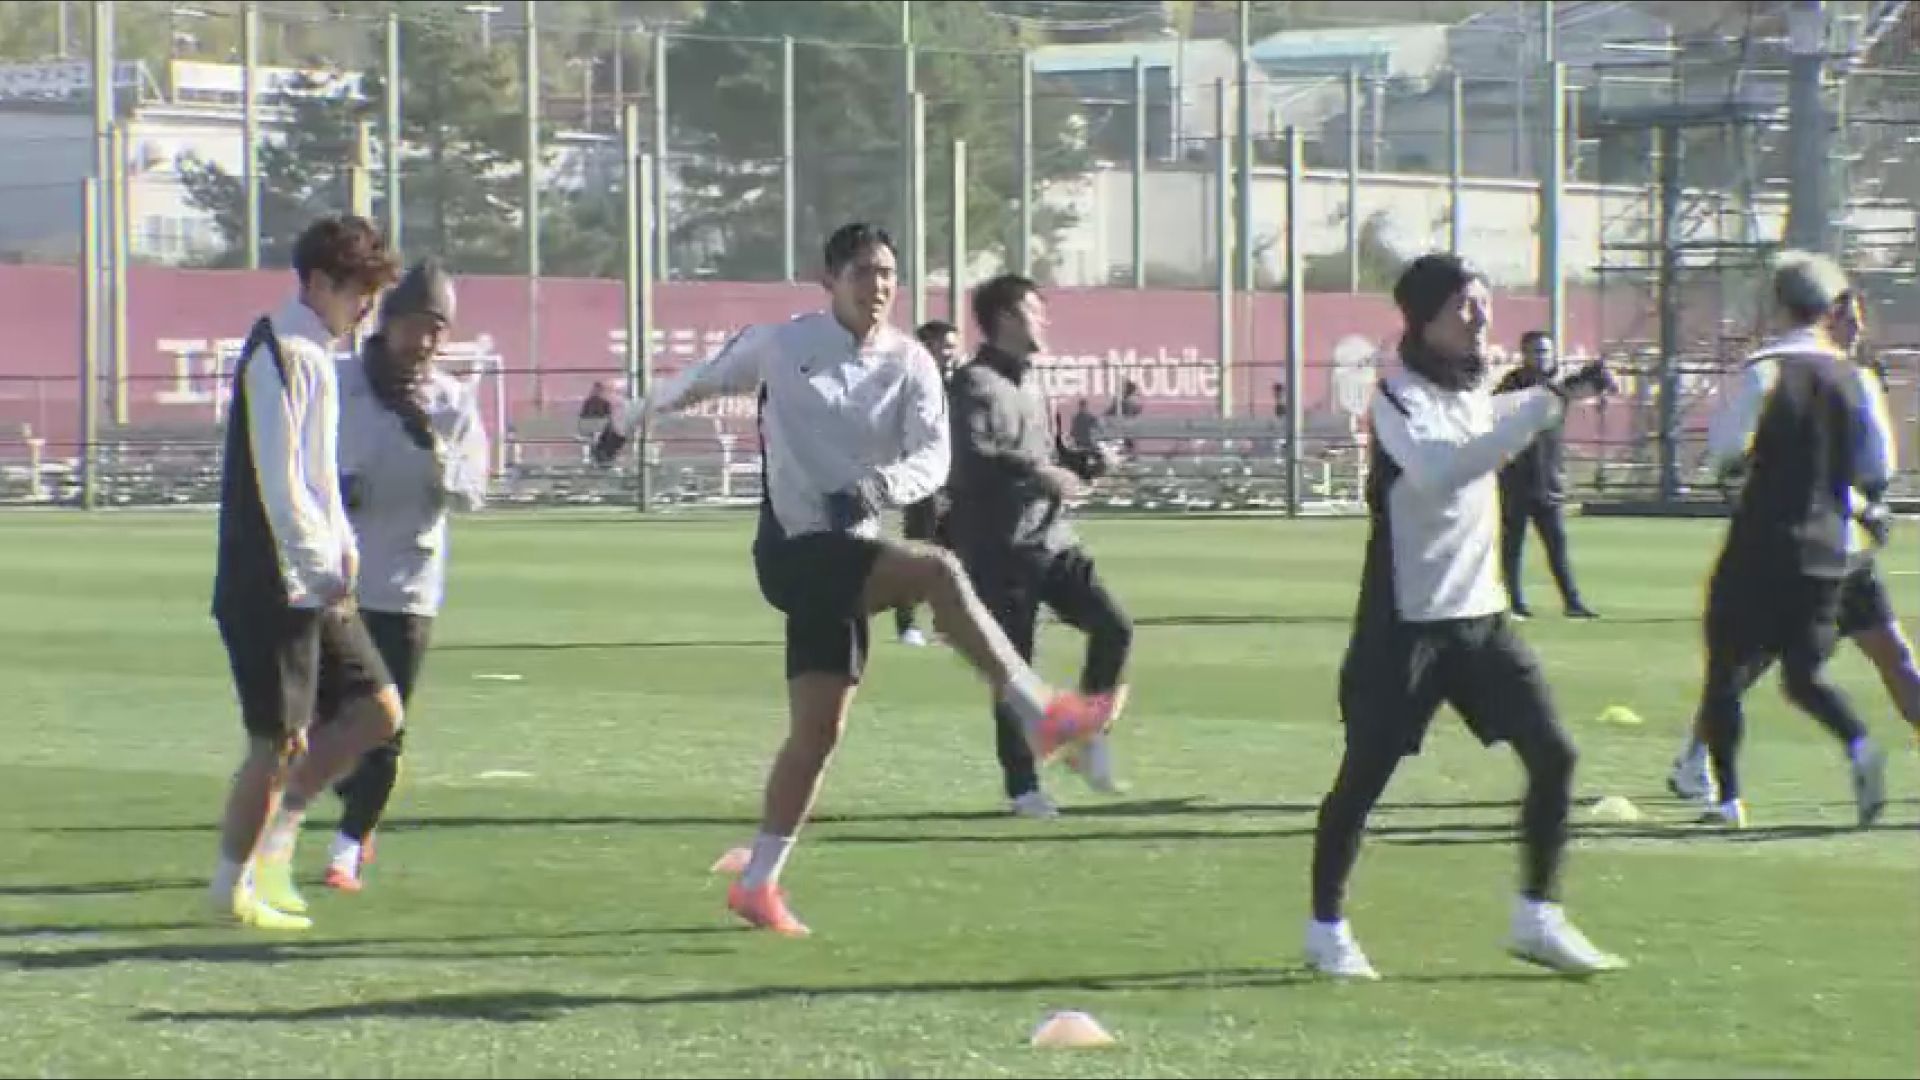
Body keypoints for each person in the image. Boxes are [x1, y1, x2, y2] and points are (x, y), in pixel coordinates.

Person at [592, 223, 1124, 937]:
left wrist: (878, 488)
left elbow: (933, 459)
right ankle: (1042, 711)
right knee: (937, 569)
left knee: (817, 735)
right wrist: (625, 422)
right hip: (793, 552)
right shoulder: (780, 345)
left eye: (888, 273)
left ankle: (758, 883)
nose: (879, 285)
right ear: (830, 279)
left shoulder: (910, 362)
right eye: (864, 272)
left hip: (852, 552)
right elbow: (694, 383)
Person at [1305, 253, 1625, 980]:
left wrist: (1563, 391)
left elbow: (1491, 416)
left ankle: (1538, 918)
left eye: (1484, 301)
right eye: (1463, 306)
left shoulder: (1473, 388)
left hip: (1482, 620)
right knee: (1362, 781)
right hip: (1407, 626)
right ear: (1423, 319)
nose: (1482, 317)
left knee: (1556, 755)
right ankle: (1326, 929)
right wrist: (1546, 404)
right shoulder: (1396, 397)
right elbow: (1442, 469)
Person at [207, 214, 404, 931]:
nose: (366, 310)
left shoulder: (314, 352)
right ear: (319, 282)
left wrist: (341, 548)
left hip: (314, 578)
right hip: (272, 580)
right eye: (358, 292)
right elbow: (281, 482)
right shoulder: (281, 352)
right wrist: (322, 565)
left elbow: (318, 478)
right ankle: (231, 887)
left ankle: (277, 839)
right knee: (277, 743)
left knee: (379, 708)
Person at [1669, 272, 1902, 820]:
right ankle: (1859, 743)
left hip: (1761, 542)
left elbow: (1726, 451)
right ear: (1826, 310)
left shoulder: (1764, 369)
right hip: (1829, 550)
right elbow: (1879, 467)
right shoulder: (1855, 377)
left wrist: (1734, 467)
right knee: (1803, 676)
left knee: (1726, 672)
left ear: (1778, 304)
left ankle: (1728, 798)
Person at [317, 258, 490, 893]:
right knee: (326, 720)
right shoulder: (337, 384)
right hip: (332, 579)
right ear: (388, 323)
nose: (426, 341)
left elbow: (474, 492)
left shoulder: (450, 401)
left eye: (438, 330)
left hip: (408, 586)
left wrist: (438, 455)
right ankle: (349, 797)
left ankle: (348, 846)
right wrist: (334, 488)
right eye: (417, 325)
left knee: (386, 725)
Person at [947, 274, 1132, 818]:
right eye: (1035, 309)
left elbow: (1052, 453)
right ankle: (1022, 787)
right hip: (1000, 548)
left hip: (1052, 539)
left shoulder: (1033, 382)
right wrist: (1040, 472)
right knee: (1016, 669)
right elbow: (975, 456)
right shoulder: (973, 384)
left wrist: (1088, 462)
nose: (1045, 319)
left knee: (1114, 626)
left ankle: (1086, 736)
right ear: (1006, 317)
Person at [1493, 330, 1597, 619]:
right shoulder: (1512, 386)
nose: (1541, 357)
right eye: (1535, 351)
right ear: (1524, 355)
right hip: (1516, 479)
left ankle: (1572, 602)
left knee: (1557, 545)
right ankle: (1514, 601)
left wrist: (1592, 380)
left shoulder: (1558, 386)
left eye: (1546, 351)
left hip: (1548, 479)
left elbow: (1579, 388)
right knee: (1512, 545)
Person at [894, 319, 962, 647]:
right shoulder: (909, 384)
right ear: (927, 347)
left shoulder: (959, 384)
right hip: (922, 480)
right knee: (919, 551)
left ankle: (948, 622)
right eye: (945, 346)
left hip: (956, 481)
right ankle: (906, 623)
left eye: (953, 346)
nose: (951, 353)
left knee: (956, 555)